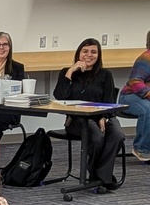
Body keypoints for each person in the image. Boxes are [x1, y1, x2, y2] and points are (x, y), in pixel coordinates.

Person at [52, 38, 125, 189]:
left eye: (94, 52)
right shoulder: (67, 72)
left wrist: (103, 116)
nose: (89, 55)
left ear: (99, 55)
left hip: (103, 117)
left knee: (117, 134)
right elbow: (60, 96)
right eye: (85, 51)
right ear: (79, 53)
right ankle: (101, 177)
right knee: (96, 136)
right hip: (77, 120)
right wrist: (70, 72)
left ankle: (98, 176)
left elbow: (109, 102)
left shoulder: (105, 74)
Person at [118, 30, 150, 162]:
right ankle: (141, 148)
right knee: (148, 109)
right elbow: (135, 81)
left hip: (144, 96)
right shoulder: (146, 58)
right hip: (130, 96)